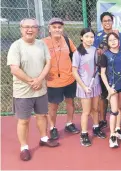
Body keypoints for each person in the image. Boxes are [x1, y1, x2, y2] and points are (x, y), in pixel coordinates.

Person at [7, 18, 59, 161]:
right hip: (23, 91)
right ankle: (24, 147)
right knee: (24, 120)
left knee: (42, 115)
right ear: (21, 29)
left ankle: (43, 138)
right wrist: (31, 81)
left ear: (37, 29)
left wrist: (40, 79)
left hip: (40, 89)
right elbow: (14, 69)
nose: (29, 30)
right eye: (26, 27)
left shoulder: (41, 44)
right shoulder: (16, 46)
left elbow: (48, 62)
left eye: (33, 27)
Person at [42, 18, 79, 140]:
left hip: (69, 78)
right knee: (53, 106)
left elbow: (77, 54)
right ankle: (52, 127)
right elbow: (37, 60)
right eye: (54, 27)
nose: (57, 29)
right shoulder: (43, 43)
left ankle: (69, 123)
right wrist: (43, 74)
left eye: (59, 27)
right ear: (49, 29)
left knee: (70, 102)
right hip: (53, 81)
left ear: (62, 29)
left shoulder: (67, 40)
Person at [93, 11, 121, 129]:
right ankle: (103, 119)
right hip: (104, 71)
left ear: (112, 22)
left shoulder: (119, 35)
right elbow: (95, 52)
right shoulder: (98, 36)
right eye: (104, 21)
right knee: (104, 97)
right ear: (101, 23)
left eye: (109, 20)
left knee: (119, 97)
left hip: (117, 72)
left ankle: (119, 118)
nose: (107, 23)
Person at [72, 28, 106, 147]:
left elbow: (97, 66)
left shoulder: (95, 51)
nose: (89, 39)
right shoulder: (78, 53)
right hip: (85, 86)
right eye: (87, 36)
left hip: (95, 84)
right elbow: (74, 72)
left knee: (95, 109)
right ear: (82, 38)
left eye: (92, 37)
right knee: (86, 112)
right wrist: (84, 86)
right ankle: (84, 134)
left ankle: (96, 128)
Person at [100, 32, 121, 148]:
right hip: (112, 87)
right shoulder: (105, 55)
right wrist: (108, 88)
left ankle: (118, 129)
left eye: (115, 39)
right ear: (107, 43)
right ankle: (112, 135)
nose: (113, 42)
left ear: (119, 41)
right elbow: (103, 73)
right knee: (114, 111)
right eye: (110, 40)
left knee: (120, 108)